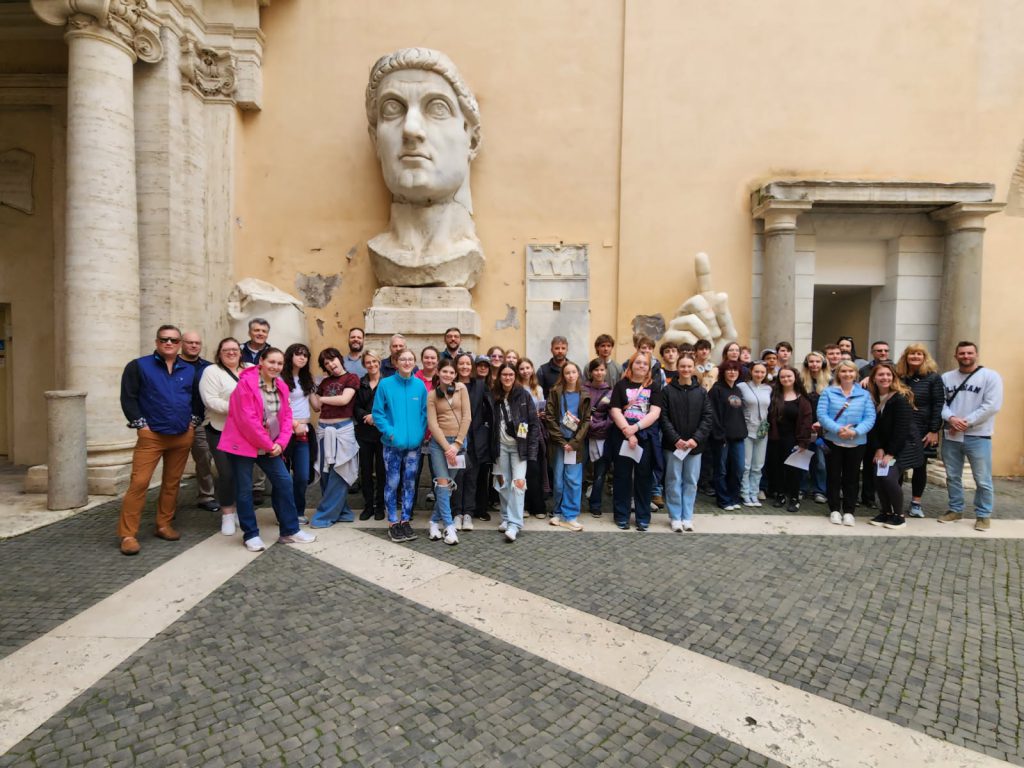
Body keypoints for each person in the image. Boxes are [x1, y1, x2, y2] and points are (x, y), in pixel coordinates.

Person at [218, 347, 317, 551]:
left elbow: (287, 415)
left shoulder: (280, 384)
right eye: (271, 362)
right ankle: (251, 534)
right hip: (243, 444)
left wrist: (280, 442)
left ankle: (290, 530)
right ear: (261, 361)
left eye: (279, 363)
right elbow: (248, 421)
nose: (275, 367)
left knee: (284, 481)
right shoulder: (245, 385)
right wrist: (270, 444)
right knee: (244, 490)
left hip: (270, 445)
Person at [116, 325, 203, 556]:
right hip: (152, 436)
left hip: (181, 435)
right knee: (139, 483)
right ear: (157, 342)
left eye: (174, 340)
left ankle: (163, 524)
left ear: (180, 344)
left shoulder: (189, 369)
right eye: (164, 339)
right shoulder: (139, 366)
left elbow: (196, 399)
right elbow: (128, 398)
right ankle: (128, 534)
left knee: (172, 483)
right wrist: (140, 425)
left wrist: (193, 422)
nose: (169, 343)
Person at [939, 342, 1003, 531]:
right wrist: (951, 418)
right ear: (955, 355)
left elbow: (992, 405)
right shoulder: (946, 377)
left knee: (982, 478)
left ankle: (983, 514)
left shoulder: (990, 377)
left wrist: (964, 422)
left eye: (969, 353)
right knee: (952, 476)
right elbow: (940, 403)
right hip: (951, 435)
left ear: (976, 354)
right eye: (962, 353)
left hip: (978, 435)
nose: (966, 356)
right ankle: (955, 509)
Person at [373, 348, 428, 542]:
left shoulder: (420, 386)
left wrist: (420, 433)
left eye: (410, 359)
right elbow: (378, 413)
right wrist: (390, 432)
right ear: (396, 363)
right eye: (403, 359)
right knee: (392, 482)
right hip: (392, 445)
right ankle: (393, 522)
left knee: (410, 483)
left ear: (414, 363)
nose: (406, 362)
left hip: (414, 445)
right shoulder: (385, 385)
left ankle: (405, 520)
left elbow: (424, 413)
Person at [200, 337, 251, 535]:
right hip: (220, 430)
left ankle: (239, 510)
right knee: (227, 473)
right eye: (226, 350)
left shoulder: (250, 368)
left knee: (243, 474)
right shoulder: (212, 372)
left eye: (235, 349)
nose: (231, 352)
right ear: (219, 353)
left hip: (246, 431)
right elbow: (211, 401)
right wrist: (240, 409)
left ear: (240, 352)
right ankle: (227, 514)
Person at [608, 352, 663, 531]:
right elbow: (615, 410)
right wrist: (628, 431)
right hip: (623, 436)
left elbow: (655, 413)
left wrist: (636, 428)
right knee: (622, 477)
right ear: (631, 365)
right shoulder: (620, 385)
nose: (641, 366)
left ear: (649, 368)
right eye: (637, 363)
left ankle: (642, 517)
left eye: (644, 364)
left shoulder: (654, 387)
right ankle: (622, 516)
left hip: (645, 437)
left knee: (644, 478)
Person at [817, 360, 876, 526]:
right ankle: (834, 509)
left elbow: (870, 417)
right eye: (843, 371)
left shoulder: (864, 395)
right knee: (833, 476)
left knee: (852, 477)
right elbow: (822, 415)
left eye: (851, 371)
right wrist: (838, 429)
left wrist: (854, 431)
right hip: (833, 441)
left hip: (857, 442)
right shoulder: (828, 392)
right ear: (838, 374)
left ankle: (849, 511)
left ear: (856, 374)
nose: (847, 374)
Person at [865, 362, 922, 530]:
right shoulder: (873, 398)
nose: (885, 378)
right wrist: (879, 449)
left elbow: (901, 429)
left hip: (903, 445)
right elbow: (874, 427)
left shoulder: (900, 398)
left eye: (888, 375)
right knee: (878, 476)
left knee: (889, 478)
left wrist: (890, 453)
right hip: (885, 446)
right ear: (874, 378)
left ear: (894, 377)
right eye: (881, 375)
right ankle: (886, 512)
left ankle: (899, 516)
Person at [660, 353, 713, 531]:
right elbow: (664, 418)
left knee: (691, 480)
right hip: (673, 446)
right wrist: (675, 439)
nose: (685, 370)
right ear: (678, 368)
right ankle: (675, 516)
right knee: (673, 479)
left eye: (689, 366)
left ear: (694, 368)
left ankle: (687, 516)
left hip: (694, 446)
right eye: (682, 366)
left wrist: (695, 439)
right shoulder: (667, 391)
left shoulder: (701, 392)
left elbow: (707, 418)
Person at [489, 363, 540, 542]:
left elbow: (534, 424)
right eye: (504, 374)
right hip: (500, 446)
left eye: (511, 374)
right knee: (503, 483)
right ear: (499, 376)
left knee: (518, 483)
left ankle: (515, 524)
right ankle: (505, 516)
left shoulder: (524, 394)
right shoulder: (494, 395)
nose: (508, 377)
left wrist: (531, 451)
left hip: (519, 447)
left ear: (515, 375)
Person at [309, 348, 360, 528]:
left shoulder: (351, 378)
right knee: (325, 473)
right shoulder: (324, 382)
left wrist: (321, 397)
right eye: (327, 363)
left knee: (339, 472)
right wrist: (312, 390)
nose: (331, 364)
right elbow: (316, 407)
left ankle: (324, 515)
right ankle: (343, 512)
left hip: (342, 430)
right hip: (323, 430)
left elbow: (344, 400)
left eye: (333, 360)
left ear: (340, 359)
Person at [895, 343, 944, 517]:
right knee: (898, 465)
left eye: (919, 354)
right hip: (900, 426)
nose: (915, 357)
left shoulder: (933, 378)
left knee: (919, 466)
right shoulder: (898, 376)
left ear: (924, 357)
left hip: (923, 427)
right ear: (905, 357)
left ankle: (916, 503)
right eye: (911, 354)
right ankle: (896, 501)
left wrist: (934, 430)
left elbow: (938, 404)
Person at [426, 359, 471, 545]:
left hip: (459, 444)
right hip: (439, 445)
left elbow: (467, 416)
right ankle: (450, 527)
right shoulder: (431, 395)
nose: (448, 375)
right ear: (438, 372)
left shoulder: (461, 389)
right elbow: (432, 424)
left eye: (451, 372)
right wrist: (447, 448)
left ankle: (433, 522)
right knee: (443, 484)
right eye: (444, 371)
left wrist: (457, 444)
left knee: (448, 485)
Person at [545, 361, 590, 531]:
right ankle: (557, 512)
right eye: (567, 373)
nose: (571, 375)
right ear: (563, 376)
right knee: (558, 480)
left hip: (575, 446)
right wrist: (562, 442)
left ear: (578, 374)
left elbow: (586, 421)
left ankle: (570, 515)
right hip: (559, 444)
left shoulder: (584, 394)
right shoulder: (556, 393)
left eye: (573, 372)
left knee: (573, 480)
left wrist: (573, 442)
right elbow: (549, 417)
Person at [179, 331, 218, 513]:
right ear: (182, 344)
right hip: (176, 421)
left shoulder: (208, 368)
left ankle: (206, 495)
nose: (194, 346)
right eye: (190, 342)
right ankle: (168, 501)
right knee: (174, 461)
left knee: (203, 456)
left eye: (197, 343)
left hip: (201, 420)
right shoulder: (173, 364)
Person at [765, 366, 813, 512]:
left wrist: (803, 442)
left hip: (795, 440)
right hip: (775, 438)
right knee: (777, 468)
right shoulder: (774, 396)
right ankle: (780, 494)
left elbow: (806, 422)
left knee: (794, 470)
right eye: (783, 377)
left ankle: (794, 497)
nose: (786, 379)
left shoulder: (803, 399)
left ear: (795, 378)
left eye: (789, 376)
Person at [281, 343, 318, 525]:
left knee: (303, 475)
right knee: (283, 476)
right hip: (284, 431)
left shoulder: (306, 379)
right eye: (298, 354)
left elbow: (316, 405)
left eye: (305, 355)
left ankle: (299, 510)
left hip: (303, 432)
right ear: (290, 356)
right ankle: (284, 513)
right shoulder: (281, 378)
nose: (302, 358)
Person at [453, 351, 489, 528]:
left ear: (472, 366)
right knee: (457, 475)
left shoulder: (480, 385)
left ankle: (468, 512)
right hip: (455, 438)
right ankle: (457, 512)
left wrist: (485, 431)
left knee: (472, 477)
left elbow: (489, 411)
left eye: (468, 364)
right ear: (456, 366)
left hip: (475, 439)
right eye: (461, 363)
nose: (465, 367)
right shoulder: (450, 385)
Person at [709, 360, 746, 511]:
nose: (732, 372)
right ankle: (723, 500)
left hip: (738, 437)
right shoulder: (716, 390)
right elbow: (713, 415)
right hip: (721, 438)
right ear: (723, 372)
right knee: (721, 469)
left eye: (735, 370)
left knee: (738, 469)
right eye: (729, 370)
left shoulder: (738, 390)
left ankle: (733, 497)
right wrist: (719, 435)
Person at [353, 349, 386, 521]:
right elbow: (355, 406)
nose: (372, 365)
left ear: (379, 362)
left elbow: (390, 406)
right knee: (365, 471)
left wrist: (376, 417)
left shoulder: (387, 383)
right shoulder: (360, 383)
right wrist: (366, 416)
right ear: (364, 365)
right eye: (368, 362)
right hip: (364, 432)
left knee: (382, 471)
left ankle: (380, 506)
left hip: (382, 434)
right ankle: (368, 506)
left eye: (374, 361)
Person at [518, 357, 549, 519]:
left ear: (532, 369)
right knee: (522, 470)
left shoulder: (538, 388)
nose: (525, 371)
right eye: (522, 368)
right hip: (522, 431)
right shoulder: (516, 388)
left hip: (536, 432)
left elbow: (541, 407)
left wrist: (540, 414)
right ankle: (523, 506)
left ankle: (538, 506)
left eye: (527, 367)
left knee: (535, 469)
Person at [582, 359, 613, 516]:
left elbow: (612, 417)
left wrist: (596, 426)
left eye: (602, 370)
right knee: (577, 470)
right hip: (583, 437)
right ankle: (574, 503)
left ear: (606, 371)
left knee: (600, 474)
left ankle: (596, 504)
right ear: (591, 372)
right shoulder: (583, 389)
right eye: (596, 370)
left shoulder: (610, 392)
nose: (599, 373)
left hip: (602, 437)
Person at [739, 361, 771, 508]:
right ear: (751, 372)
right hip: (746, 429)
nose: (759, 374)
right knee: (746, 465)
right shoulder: (742, 387)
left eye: (762, 372)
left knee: (758, 465)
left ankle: (754, 492)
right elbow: (735, 405)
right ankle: (744, 493)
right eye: (757, 371)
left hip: (762, 431)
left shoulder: (768, 389)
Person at [800, 351, 830, 504]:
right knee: (802, 459)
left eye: (817, 362)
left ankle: (820, 490)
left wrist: (822, 423)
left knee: (820, 462)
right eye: (811, 361)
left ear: (823, 363)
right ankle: (802, 488)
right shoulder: (800, 381)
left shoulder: (830, 381)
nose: (814, 365)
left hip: (822, 429)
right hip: (804, 428)